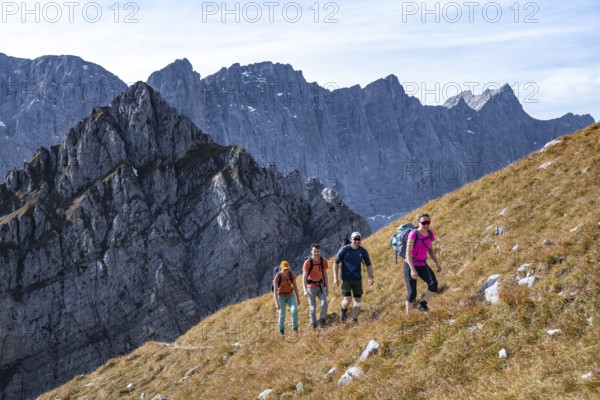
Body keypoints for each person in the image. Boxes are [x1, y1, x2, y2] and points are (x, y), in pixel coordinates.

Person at [404, 212, 442, 314]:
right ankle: (408, 317)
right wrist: (412, 270)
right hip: (410, 264)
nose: (426, 224)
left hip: (422, 263)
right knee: (412, 293)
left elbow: (430, 250)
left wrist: (437, 263)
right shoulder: (413, 234)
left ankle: (423, 304)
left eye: (428, 222)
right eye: (423, 222)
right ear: (418, 222)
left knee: (433, 284)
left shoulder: (430, 234)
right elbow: (407, 254)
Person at [333, 232, 374, 323]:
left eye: (359, 239)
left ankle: (354, 319)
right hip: (346, 279)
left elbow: (368, 265)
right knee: (347, 300)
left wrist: (370, 277)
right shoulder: (344, 250)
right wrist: (335, 278)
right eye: (355, 239)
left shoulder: (363, 251)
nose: (357, 241)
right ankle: (343, 310)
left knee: (358, 301)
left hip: (357, 279)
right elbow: (335, 263)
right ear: (351, 239)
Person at [302, 243, 329, 330]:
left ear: (319, 251)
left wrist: (327, 288)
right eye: (314, 251)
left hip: (320, 286)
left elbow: (325, 275)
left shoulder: (323, 261)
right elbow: (304, 277)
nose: (316, 253)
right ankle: (313, 324)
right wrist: (305, 290)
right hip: (310, 287)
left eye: (317, 251)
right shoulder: (307, 262)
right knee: (312, 307)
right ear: (311, 252)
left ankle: (322, 320)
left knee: (324, 303)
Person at [273, 260, 301, 335]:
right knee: (282, 314)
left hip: (290, 295)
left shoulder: (291, 275)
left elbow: (295, 287)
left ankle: (295, 328)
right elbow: (275, 292)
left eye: (287, 269)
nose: (286, 271)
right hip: (281, 297)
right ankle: (281, 330)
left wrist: (298, 298)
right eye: (284, 269)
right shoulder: (277, 277)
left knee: (294, 310)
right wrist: (276, 303)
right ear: (281, 269)